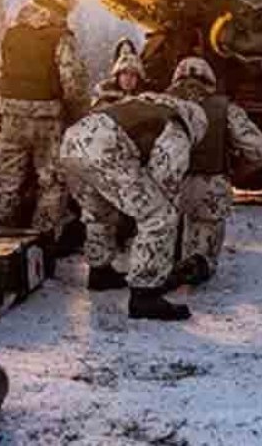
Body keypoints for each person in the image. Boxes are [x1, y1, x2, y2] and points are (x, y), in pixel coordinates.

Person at [59, 61, 208, 321]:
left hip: (73, 142)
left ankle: (100, 271)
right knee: (160, 215)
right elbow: (166, 177)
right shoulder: (180, 124)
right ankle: (145, 295)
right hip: (104, 148)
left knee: (98, 210)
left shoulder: (149, 104)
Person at [0, 0, 89, 245]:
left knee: (8, 183)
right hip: (48, 120)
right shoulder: (60, 37)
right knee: (51, 182)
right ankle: (42, 245)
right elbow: (73, 83)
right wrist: (77, 115)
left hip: (11, 118)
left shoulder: (12, 33)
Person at [168, 58, 262, 286]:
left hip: (166, 188)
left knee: (159, 235)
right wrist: (236, 172)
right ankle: (197, 262)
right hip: (210, 187)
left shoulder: (160, 106)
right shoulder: (225, 110)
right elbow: (261, 152)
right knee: (204, 250)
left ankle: (163, 260)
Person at [91, 40, 145, 109]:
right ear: (118, 75)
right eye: (124, 73)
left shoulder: (143, 95)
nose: (128, 78)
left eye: (133, 74)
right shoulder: (104, 89)